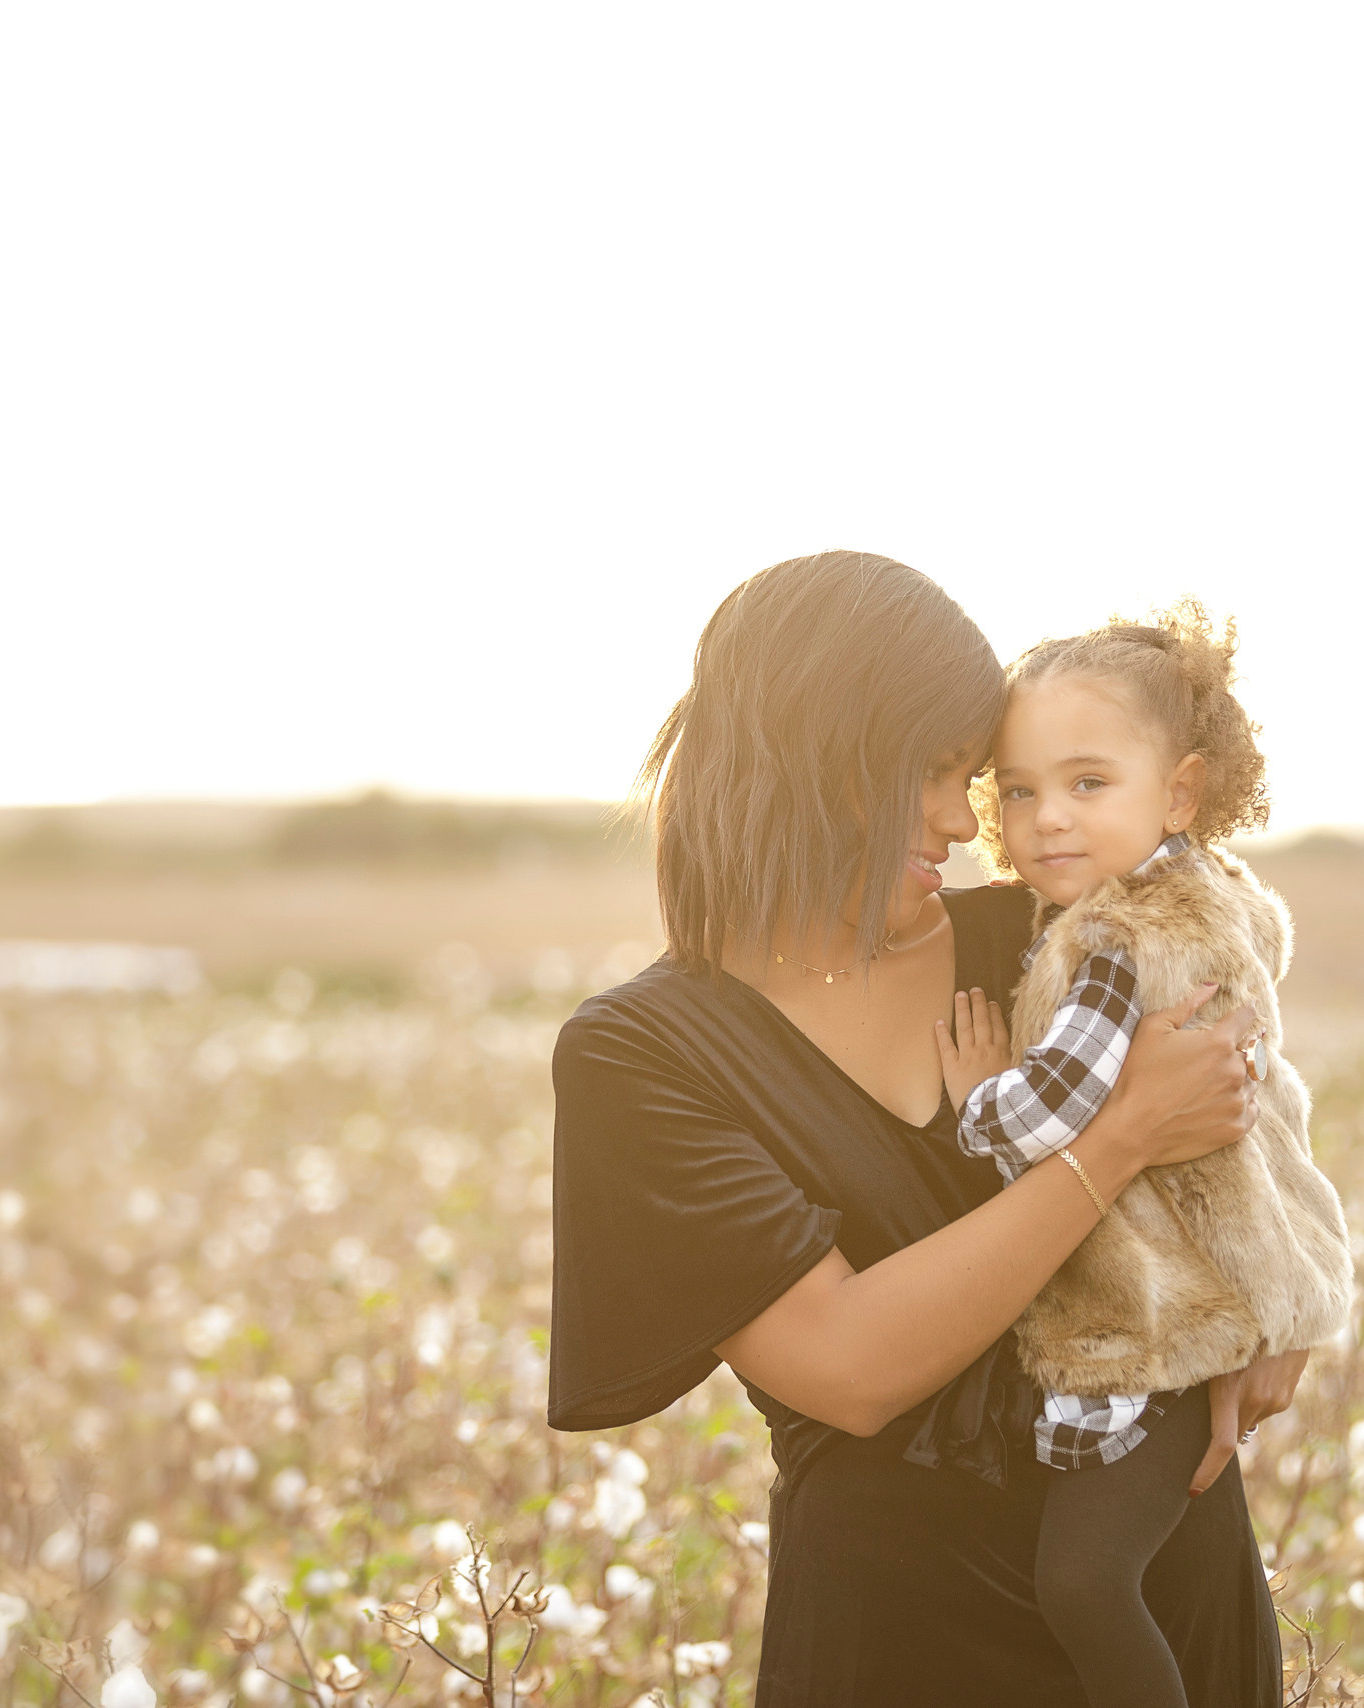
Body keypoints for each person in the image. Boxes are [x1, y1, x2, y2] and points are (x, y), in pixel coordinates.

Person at [546, 552, 1300, 1705]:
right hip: (899, 1644)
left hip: (1154, 1597)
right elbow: (847, 1366)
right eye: (932, 774)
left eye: (975, 777)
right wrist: (1115, 1140)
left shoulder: (1042, 938)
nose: (963, 822)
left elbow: (1234, 1076)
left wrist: (1282, 1307)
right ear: (813, 763)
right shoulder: (645, 1054)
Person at [934, 603, 1356, 1708]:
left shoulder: (1115, 940)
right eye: (1017, 791)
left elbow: (1050, 1111)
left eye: (1086, 784)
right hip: (1188, 1315)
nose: (1043, 821)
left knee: (1081, 1583)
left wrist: (972, 1100)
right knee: (1096, 1574)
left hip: (1157, 1325)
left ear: (1179, 791)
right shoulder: (1208, 904)